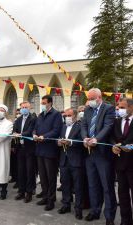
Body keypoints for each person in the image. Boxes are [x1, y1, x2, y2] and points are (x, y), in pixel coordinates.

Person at [81, 88, 116, 225]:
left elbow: (108, 126)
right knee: (93, 184)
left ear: (99, 97)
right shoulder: (88, 109)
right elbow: (84, 125)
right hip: (89, 153)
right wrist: (84, 138)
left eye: (91, 98)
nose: (89, 101)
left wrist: (97, 139)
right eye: (88, 98)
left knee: (107, 186)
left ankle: (109, 216)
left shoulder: (109, 108)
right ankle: (95, 211)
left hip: (103, 154)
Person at [33, 95, 63, 211]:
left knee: (51, 176)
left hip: (50, 150)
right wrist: (34, 134)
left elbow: (56, 131)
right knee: (43, 176)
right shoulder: (40, 115)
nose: (42, 105)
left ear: (50, 103)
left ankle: (51, 200)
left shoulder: (56, 115)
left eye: (44, 103)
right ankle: (45, 196)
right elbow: (35, 128)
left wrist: (44, 137)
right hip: (40, 149)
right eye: (42, 103)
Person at [57, 108, 85, 220]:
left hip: (76, 160)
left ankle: (78, 209)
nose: (67, 117)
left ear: (75, 116)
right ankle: (66, 205)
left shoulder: (80, 126)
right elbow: (57, 138)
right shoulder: (63, 126)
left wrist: (71, 142)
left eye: (69, 115)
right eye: (66, 116)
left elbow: (82, 141)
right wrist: (58, 142)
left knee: (78, 186)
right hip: (64, 160)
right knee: (65, 183)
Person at [111, 98, 133, 225]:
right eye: (119, 107)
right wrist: (114, 146)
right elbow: (112, 137)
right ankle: (126, 220)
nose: (120, 110)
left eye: (123, 107)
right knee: (123, 194)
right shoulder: (117, 121)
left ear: (131, 107)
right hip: (120, 164)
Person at [13, 102, 37, 203]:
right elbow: (14, 130)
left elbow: (31, 131)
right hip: (20, 148)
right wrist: (15, 134)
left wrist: (20, 134)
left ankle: (29, 192)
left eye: (25, 107)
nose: (23, 109)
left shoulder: (33, 119)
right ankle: (21, 191)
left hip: (30, 148)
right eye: (22, 107)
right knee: (21, 171)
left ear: (29, 108)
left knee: (30, 171)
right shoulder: (18, 119)